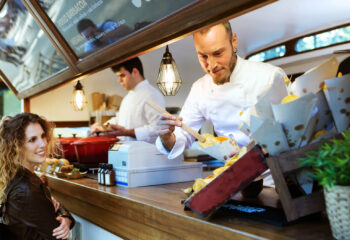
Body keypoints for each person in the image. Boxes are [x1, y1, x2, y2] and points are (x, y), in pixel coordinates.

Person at [156, 21, 287, 159]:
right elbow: (182, 135)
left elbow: (293, 134)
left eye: (218, 53)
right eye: (203, 56)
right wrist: (167, 137)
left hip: (273, 174)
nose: (211, 65)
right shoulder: (200, 89)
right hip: (234, 172)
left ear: (234, 42)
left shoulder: (271, 77)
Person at [0, 113, 75, 239]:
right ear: (17, 147)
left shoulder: (15, 175)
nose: (43, 143)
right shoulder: (26, 190)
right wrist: (66, 217)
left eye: (43, 136)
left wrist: (63, 215)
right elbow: (58, 235)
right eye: (32, 139)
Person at [91, 57, 165, 143]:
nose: (119, 80)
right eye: (118, 76)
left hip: (144, 153)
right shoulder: (128, 97)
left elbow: (159, 129)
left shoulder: (152, 94)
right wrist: (102, 126)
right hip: (126, 150)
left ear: (135, 72)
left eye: (122, 75)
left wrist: (127, 132)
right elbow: (120, 120)